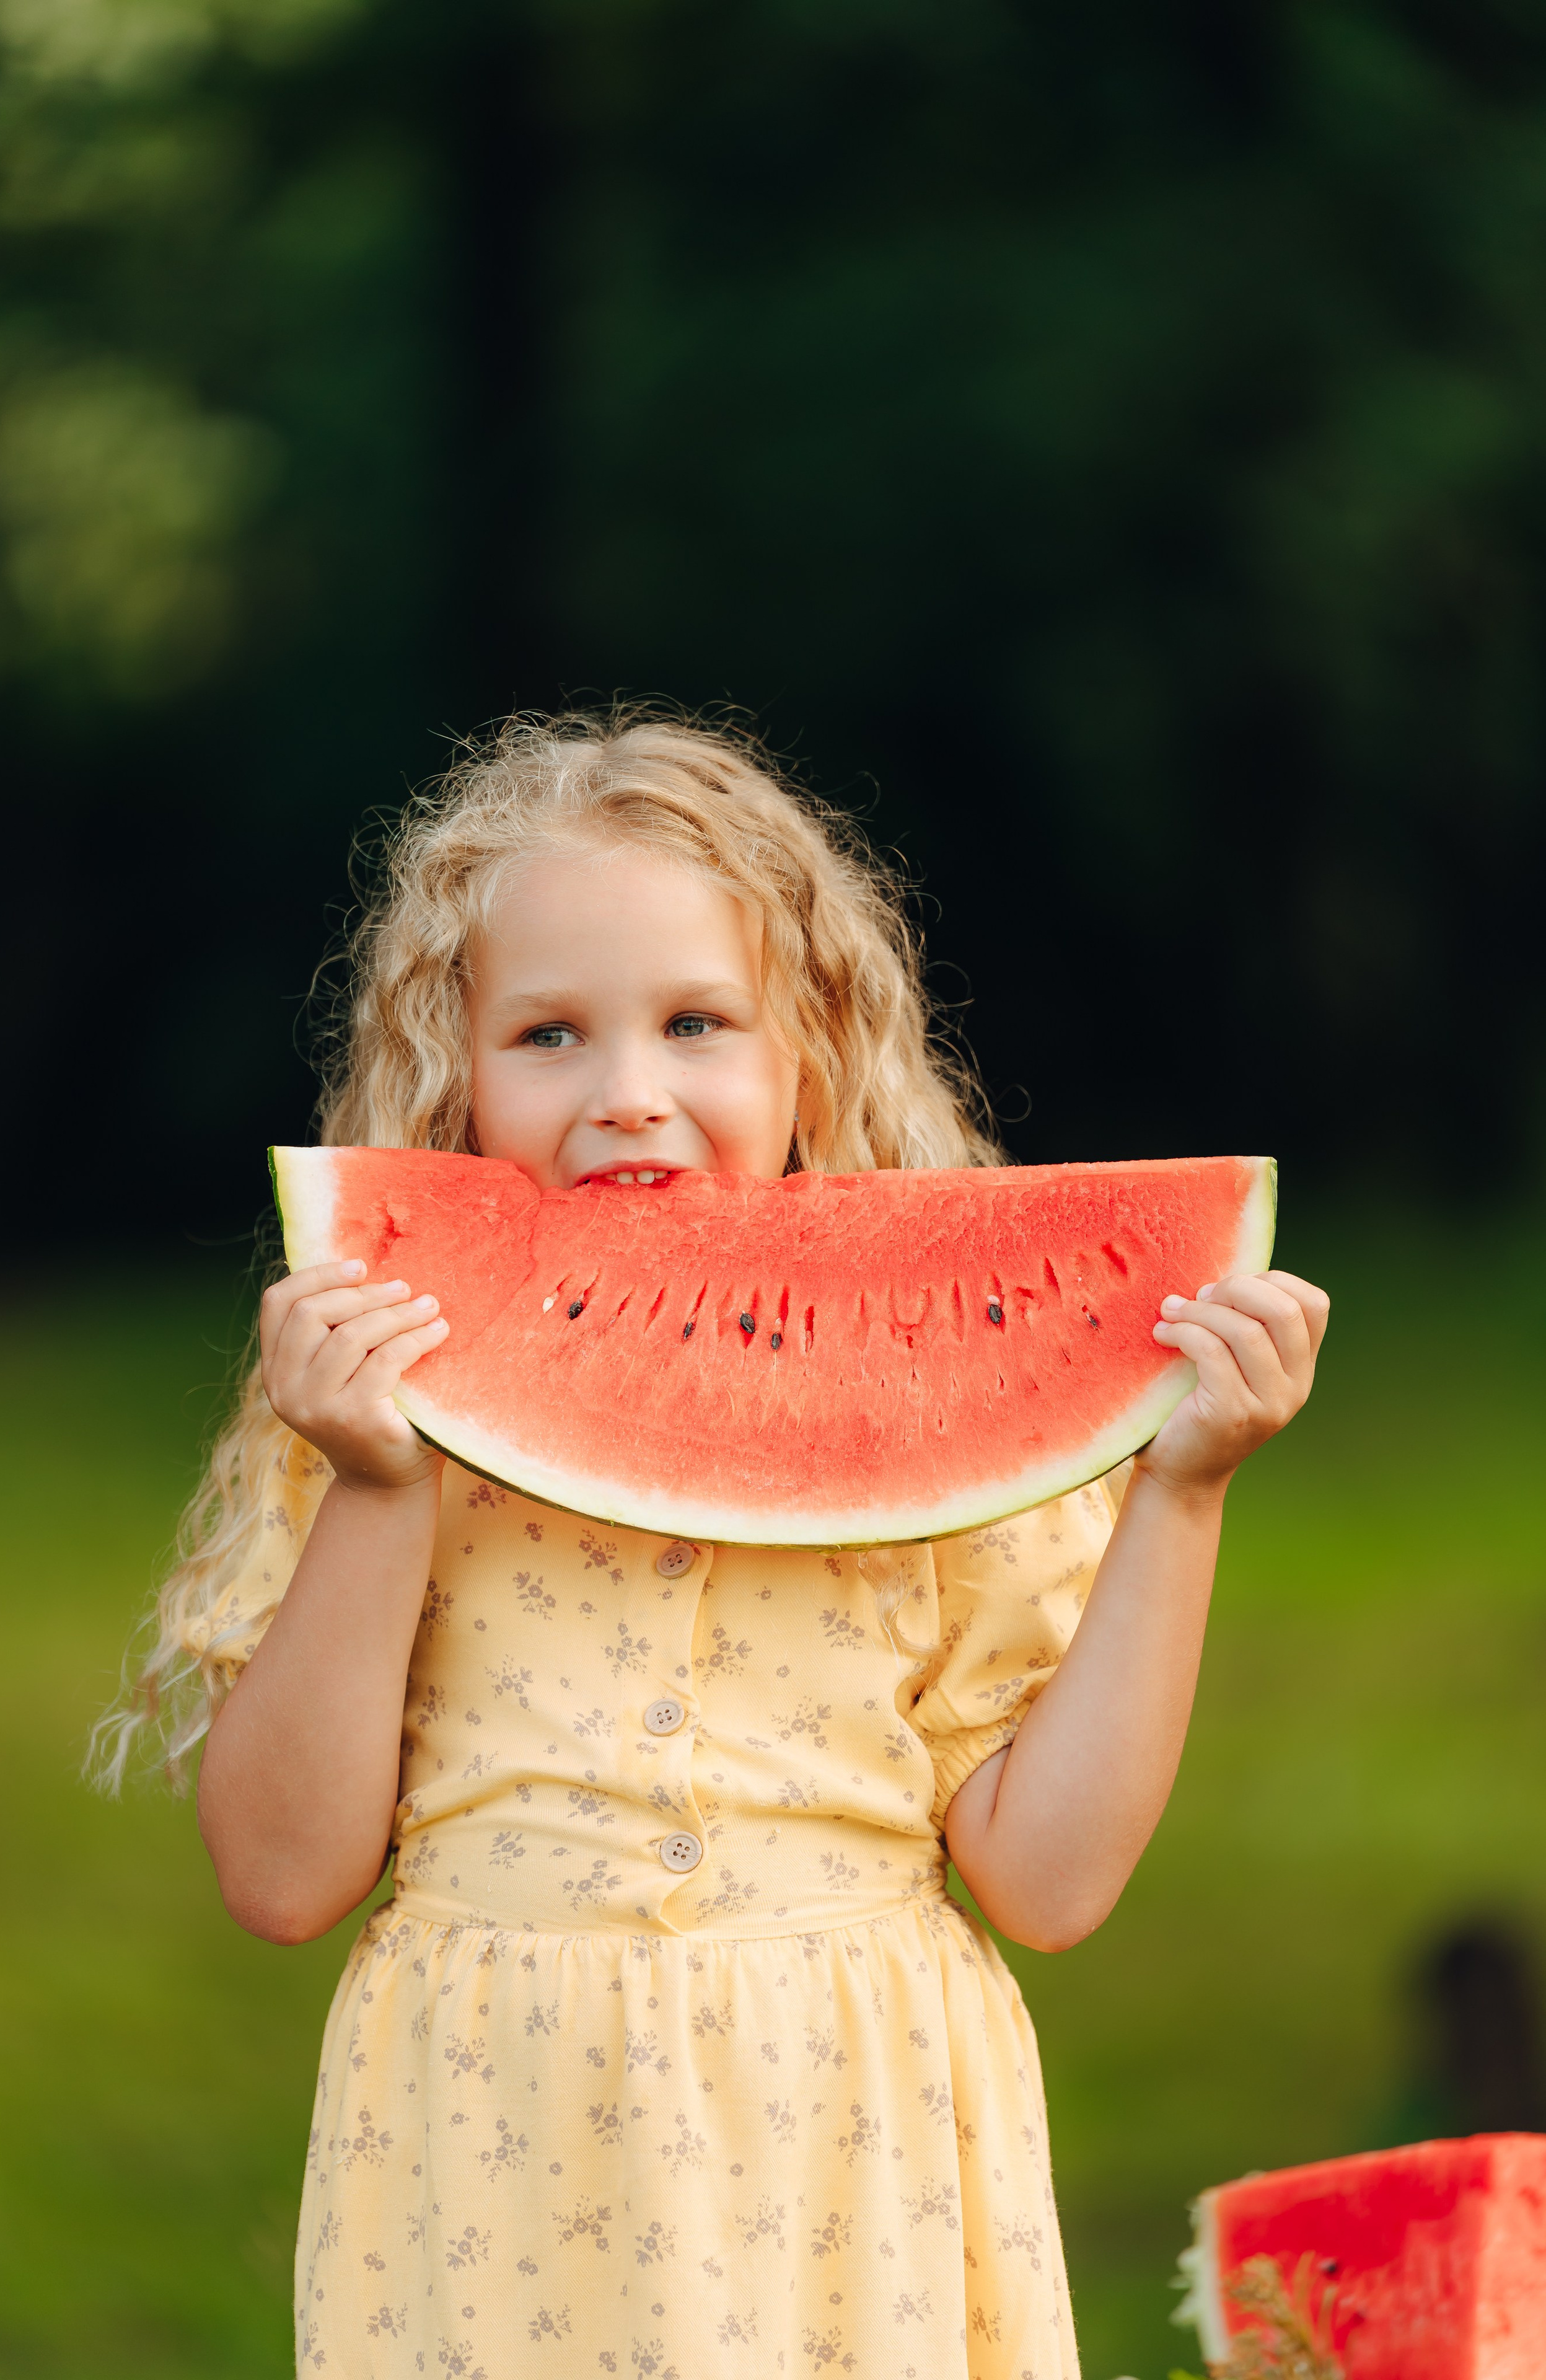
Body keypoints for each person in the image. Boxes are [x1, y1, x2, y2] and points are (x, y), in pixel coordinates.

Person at [102, 712, 1327, 2379]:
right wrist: (378, 1491)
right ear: (452, 1081)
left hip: (855, 2162)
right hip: (495, 2164)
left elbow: (1047, 1881)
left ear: (806, 1059)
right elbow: (279, 1872)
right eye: (548, 1035)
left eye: (697, 1024)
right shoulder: (373, 1414)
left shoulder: (931, 1445)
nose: (630, 1097)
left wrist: (1180, 1493)